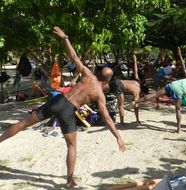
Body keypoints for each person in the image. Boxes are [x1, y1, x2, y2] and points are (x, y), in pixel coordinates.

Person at [0, 26, 125, 188]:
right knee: (72, 145)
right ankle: (69, 180)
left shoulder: (87, 74)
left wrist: (65, 37)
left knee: (22, 123)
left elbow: (73, 56)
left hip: (58, 101)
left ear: (99, 73)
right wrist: (118, 136)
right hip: (67, 111)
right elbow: (107, 118)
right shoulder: (99, 95)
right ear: (107, 81)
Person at [137, 47, 186, 133]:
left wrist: (180, 54)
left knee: (154, 94)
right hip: (176, 90)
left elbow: (184, 67)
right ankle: (179, 129)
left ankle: (136, 101)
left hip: (171, 85)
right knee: (178, 109)